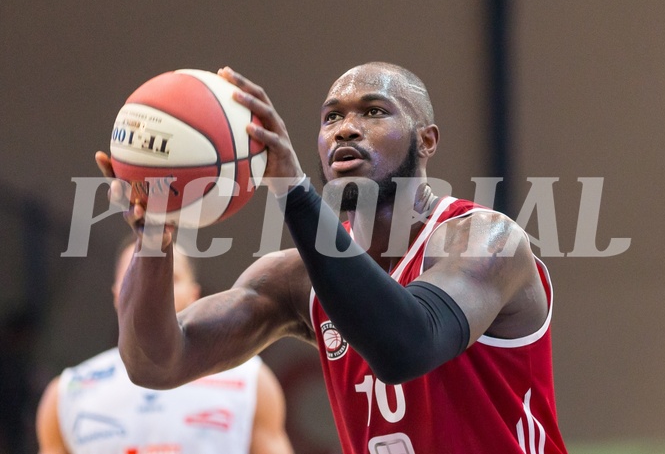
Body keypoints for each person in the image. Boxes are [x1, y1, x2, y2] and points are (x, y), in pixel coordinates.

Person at [95, 61, 568, 453]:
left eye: (374, 111)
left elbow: (407, 345)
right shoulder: (295, 280)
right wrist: (154, 233)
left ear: (426, 140)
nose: (347, 129)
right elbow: (156, 364)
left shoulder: (487, 241)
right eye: (331, 118)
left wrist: (294, 192)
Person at [35, 238, 294, 454]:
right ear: (117, 295)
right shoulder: (68, 392)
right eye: (136, 275)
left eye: (170, 276)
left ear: (194, 295)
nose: (153, 287)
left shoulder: (251, 381)